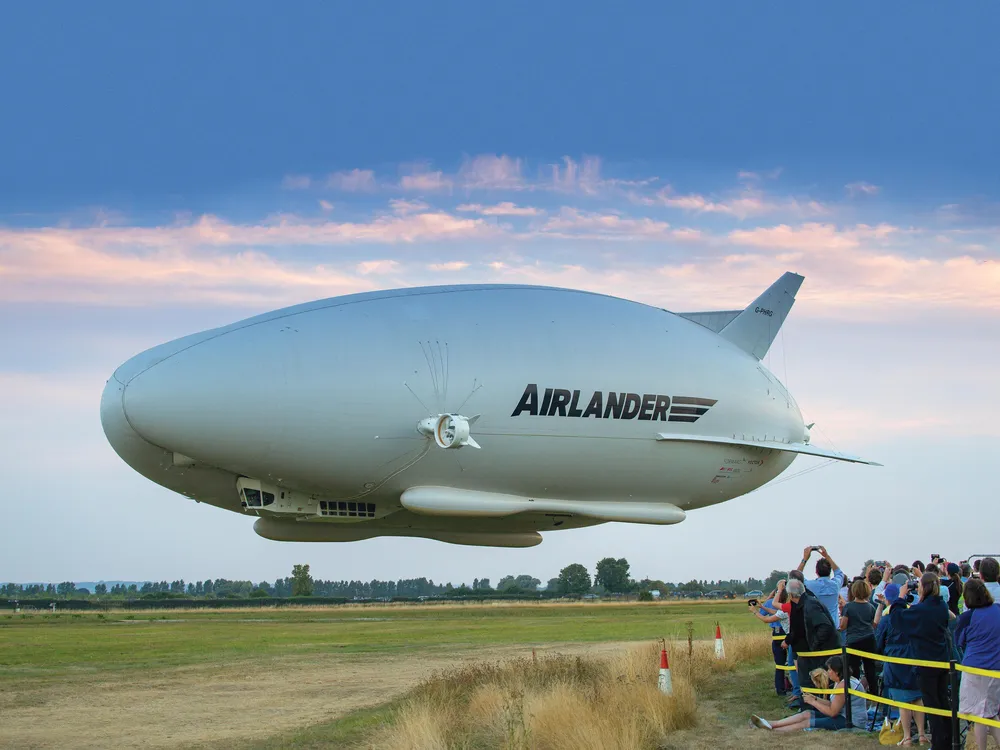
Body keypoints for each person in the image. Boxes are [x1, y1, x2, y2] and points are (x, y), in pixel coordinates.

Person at [889, 573, 952, 750]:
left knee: (933, 705)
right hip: (942, 660)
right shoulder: (941, 606)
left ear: (922, 587)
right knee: (943, 703)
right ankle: (949, 740)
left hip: (926, 662)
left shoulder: (922, 610)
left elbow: (897, 618)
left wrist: (901, 597)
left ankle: (940, 744)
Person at [750, 655, 867, 732]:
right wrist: (815, 699)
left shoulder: (843, 684)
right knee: (806, 713)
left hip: (851, 721)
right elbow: (832, 704)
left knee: (806, 722)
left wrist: (813, 702)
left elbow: (832, 712)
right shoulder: (840, 681)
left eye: (830, 669)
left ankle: (771, 730)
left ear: (837, 671)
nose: (828, 672)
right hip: (843, 715)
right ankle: (771, 724)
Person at [875, 582, 929, 746]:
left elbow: (878, 643)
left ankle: (906, 736)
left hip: (896, 660)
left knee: (904, 701)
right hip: (914, 658)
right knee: (917, 697)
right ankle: (921, 734)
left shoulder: (887, 617)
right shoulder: (912, 612)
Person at [955, 578, 1000, 750]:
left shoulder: (967, 617)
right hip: (996, 668)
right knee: (990, 713)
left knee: (978, 714)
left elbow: (960, 641)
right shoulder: (997, 610)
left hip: (975, 668)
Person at [840, 578, 879, 693]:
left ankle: (855, 693)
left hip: (853, 641)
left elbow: (843, 626)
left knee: (853, 669)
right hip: (869, 639)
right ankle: (874, 695)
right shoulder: (871, 607)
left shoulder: (849, 607)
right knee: (870, 670)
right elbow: (873, 624)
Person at [751, 581, 790, 696]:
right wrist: (762, 606)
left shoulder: (779, 606)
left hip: (779, 635)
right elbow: (777, 612)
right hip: (787, 636)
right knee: (792, 664)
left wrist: (755, 611)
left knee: (780, 664)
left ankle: (781, 688)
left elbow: (767, 618)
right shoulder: (791, 606)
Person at [797, 545, 845, 625]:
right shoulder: (835, 585)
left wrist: (804, 559)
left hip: (818, 626)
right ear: (830, 571)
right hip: (833, 626)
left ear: (816, 572)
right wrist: (827, 557)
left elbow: (797, 576)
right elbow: (839, 573)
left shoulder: (811, 585)